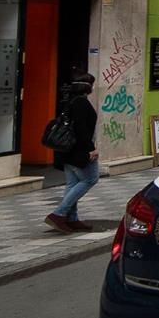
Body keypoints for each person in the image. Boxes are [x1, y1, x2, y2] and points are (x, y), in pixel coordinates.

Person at [46, 76, 100, 233]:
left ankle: (72, 218)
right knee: (90, 178)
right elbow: (82, 129)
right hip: (79, 150)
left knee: (72, 183)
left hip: (67, 150)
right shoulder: (81, 103)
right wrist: (91, 149)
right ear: (87, 87)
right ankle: (59, 213)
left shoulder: (69, 101)